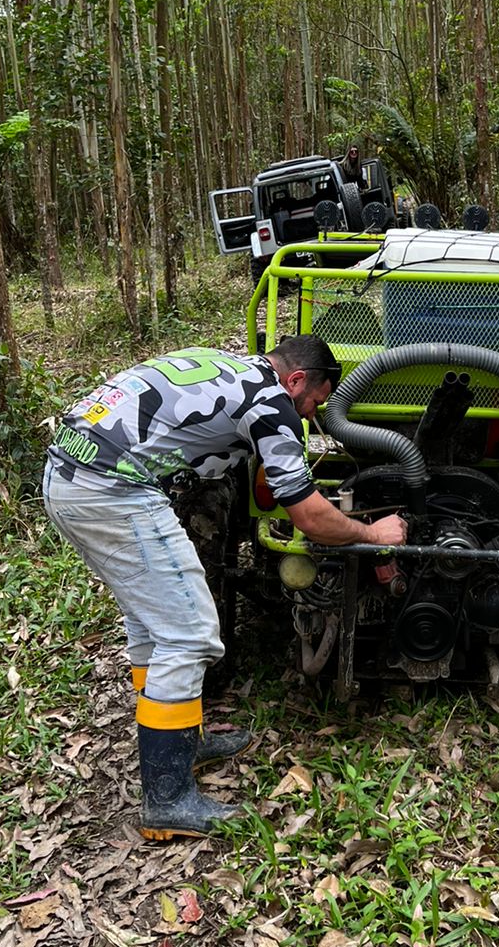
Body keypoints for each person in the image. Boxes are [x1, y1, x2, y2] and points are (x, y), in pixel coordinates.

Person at [42, 335, 407, 842]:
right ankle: (167, 801)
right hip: (111, 488)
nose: (310, 415)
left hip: (68, 474)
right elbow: (308, 516)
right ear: (297, 380)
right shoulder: (272, 401)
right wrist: (373, 534)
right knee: (188, 635)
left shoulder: (226, 366)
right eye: (315, 403)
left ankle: (182, 742)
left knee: (153, 622)